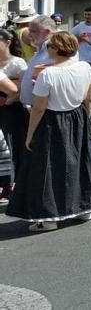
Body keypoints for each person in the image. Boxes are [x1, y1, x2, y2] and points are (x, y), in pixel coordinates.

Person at [5, 32, 91, 232]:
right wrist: (84, 120)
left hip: (52, 120)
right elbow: (89, 99)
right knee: (80, 163)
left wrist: (30, 135)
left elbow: (39, 108)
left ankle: (49, 218)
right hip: (78, 116)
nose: (47, 49)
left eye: (50, 46)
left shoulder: (48, 74)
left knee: (47, 168)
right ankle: (85, 208)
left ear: (56, 49)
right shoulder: (84, 67)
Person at [2, 16, 56, 177]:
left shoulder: (50, 53)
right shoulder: (40, 51)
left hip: (43, 111)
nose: (29, 34)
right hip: (34, 109)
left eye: (33, 31)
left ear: (47, 32)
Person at [0, 28, 27, 203]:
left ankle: (11, 184)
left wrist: (8, 100)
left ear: (7, 43)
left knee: (11, 146)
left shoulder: (18, 63)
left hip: (12, 110)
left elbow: (24, 88)